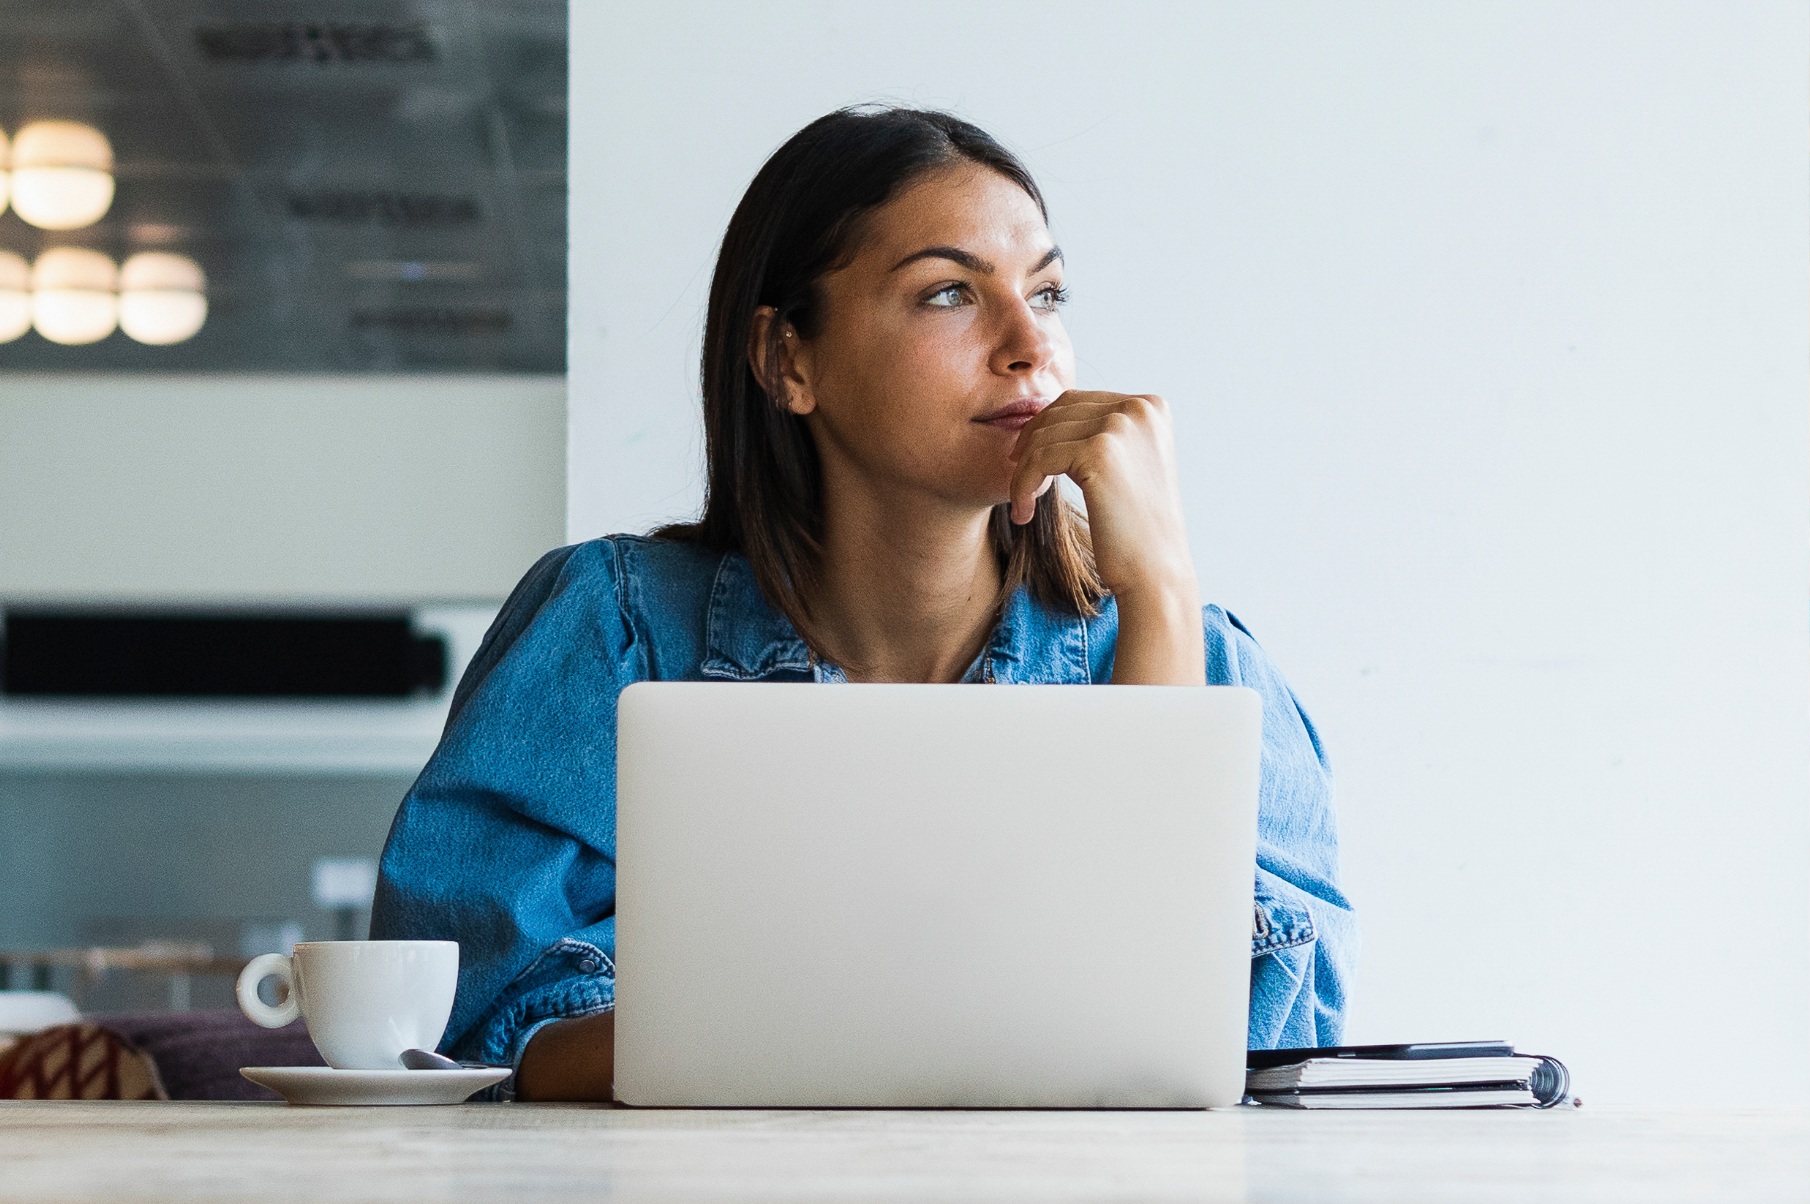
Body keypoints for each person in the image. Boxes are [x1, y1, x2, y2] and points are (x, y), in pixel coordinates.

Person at [371, 106, 1355, 1102]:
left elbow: (1249, 1044)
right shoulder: (612, 629)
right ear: (788, 360)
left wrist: (1161, 590)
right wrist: (922, 1019)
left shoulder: (1200, 660)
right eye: (949, 293)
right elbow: (469, 1027)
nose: (1030, 346)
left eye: (1047, 292)